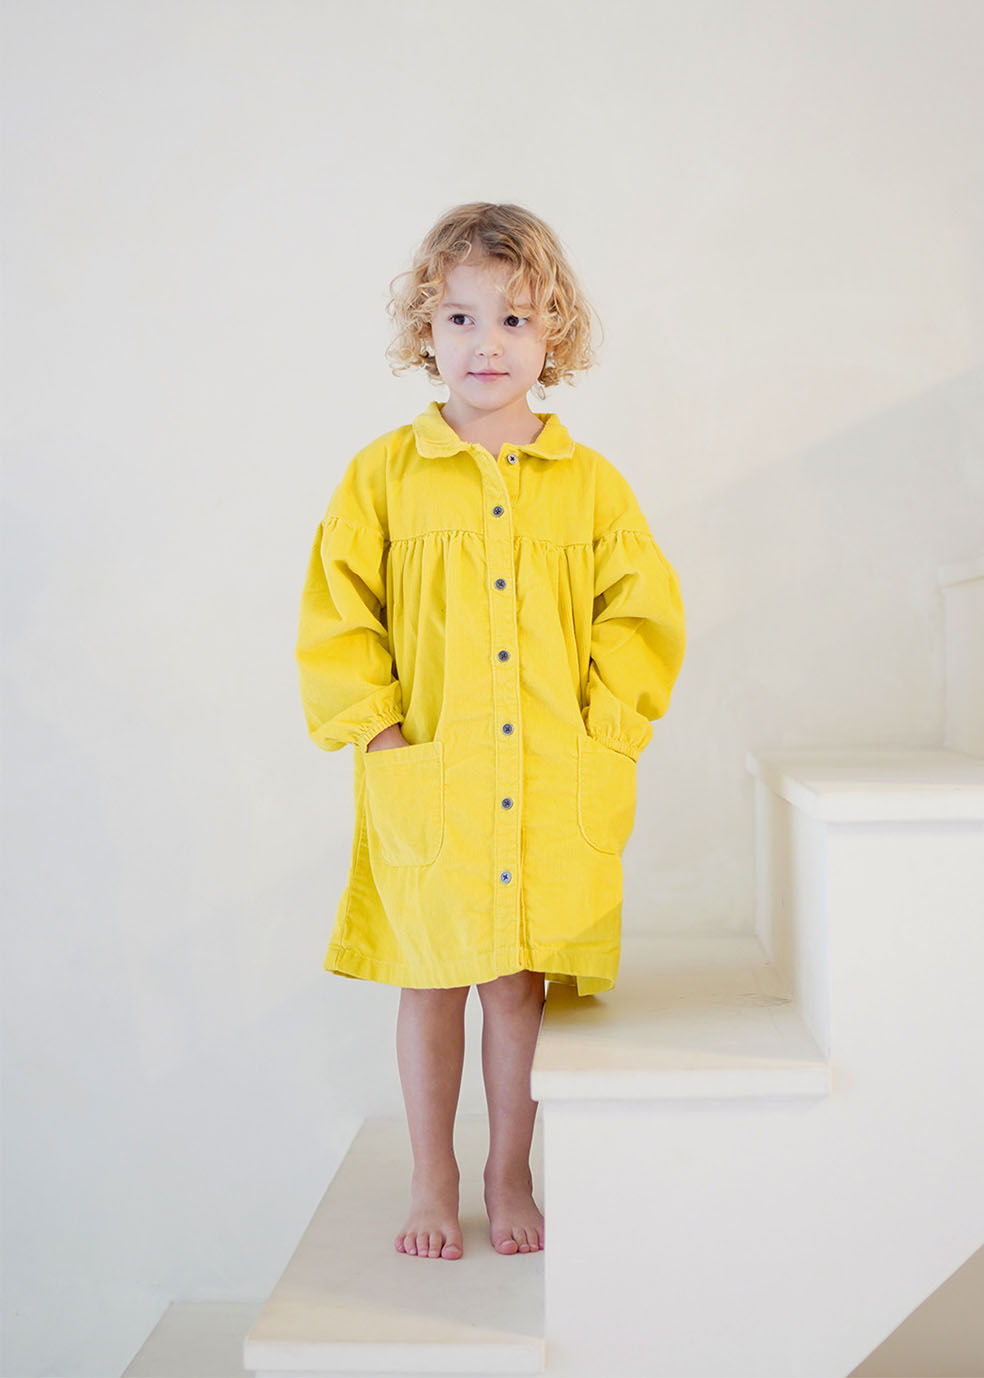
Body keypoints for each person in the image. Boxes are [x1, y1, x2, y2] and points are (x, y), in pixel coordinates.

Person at [295, 202, 686, 1262]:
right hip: (435, 775)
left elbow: (641, 617)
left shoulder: (592, 487)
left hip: (550, 777)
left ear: (555, 333)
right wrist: (378, 734)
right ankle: (433, 1176)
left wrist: (608, 733)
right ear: (425, 329)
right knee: (431, 977)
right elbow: (338, 613)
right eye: (461, 318)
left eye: (514, 320)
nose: (487, 344)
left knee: (517, 985)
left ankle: (511, 1172)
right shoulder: (383, 476)